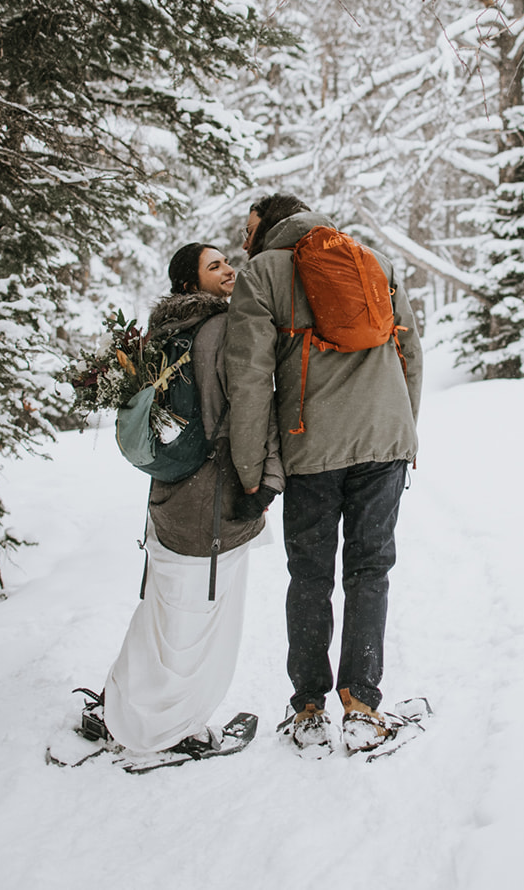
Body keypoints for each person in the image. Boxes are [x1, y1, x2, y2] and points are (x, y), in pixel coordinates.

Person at [225, 194, 424, 753]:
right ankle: (362, 706)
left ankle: (309, 709)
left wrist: (253, 471)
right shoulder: (372, 259)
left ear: (270, 227)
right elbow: (409, 348)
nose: (243, 241)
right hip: (384, 441)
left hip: (310, 448)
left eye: (249, 229)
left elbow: (248, 379)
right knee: (370, 570)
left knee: (310, 576)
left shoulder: (262, 273)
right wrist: (402, 429)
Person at [94, 242, 284, 754]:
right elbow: (243, 410)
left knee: (163, 612)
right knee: (198, 624)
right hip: (213, 502)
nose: (229, 269)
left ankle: (122, 706)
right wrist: (261, 485)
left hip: (168, 496)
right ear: (187, 284)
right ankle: (169, 730)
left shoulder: (162, 332)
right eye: (215, 265)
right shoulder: (221, 330)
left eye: (227, 261)